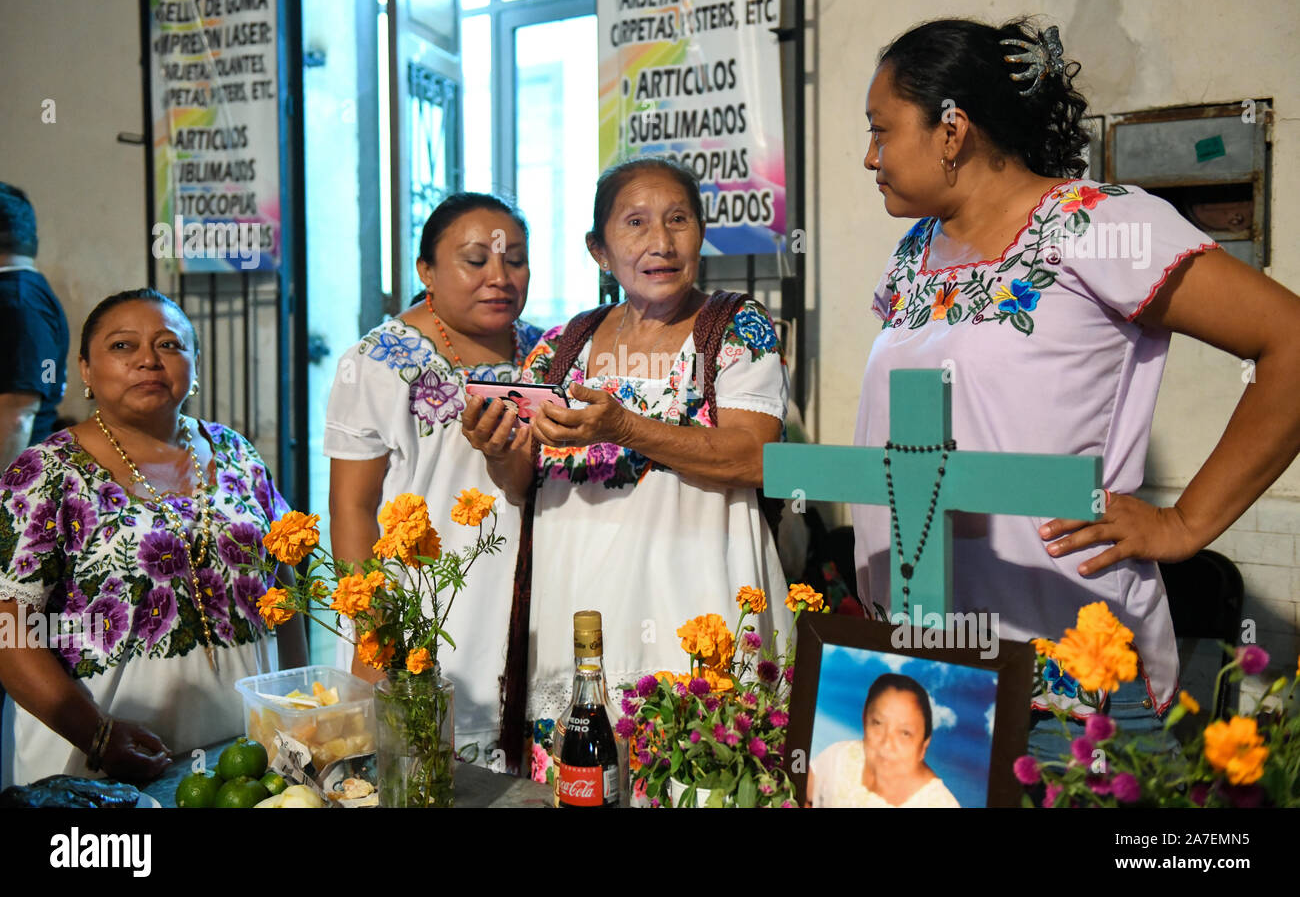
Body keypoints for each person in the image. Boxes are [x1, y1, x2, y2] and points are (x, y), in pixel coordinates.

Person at [852, 18, 1300, 758]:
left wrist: (1184, 523)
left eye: (882, 130)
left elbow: (1288, 340)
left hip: (1063, 683)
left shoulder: (1094, 224)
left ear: (952, 129)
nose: (870, 156)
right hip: (925, 668)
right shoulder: (914, 253)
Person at [461, 157, 794, 775]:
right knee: (584, 778)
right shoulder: (564, 345)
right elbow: (520, 483)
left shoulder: (733, 327)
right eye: (635, 223)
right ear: (599, 249)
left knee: (695, 769)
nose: (660, 243)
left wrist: (625, 427)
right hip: (577, 600)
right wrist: (498, 449)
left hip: (696, 595)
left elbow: (755, 457)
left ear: (700, 231)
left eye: (678, 220)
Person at [0, 289, 306, 787]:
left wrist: (296, 704)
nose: (148, 359)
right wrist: (97, 736)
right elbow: (8, 629)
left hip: (245, 751)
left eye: (169, 345)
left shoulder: (235, 453)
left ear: (194, 363)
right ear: (84, 369)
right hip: (93, 759)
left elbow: (284, 580)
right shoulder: (43, 472)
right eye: (123, 346)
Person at [324, 193, 542, 760]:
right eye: (475, 260)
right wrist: (372, 628)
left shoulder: (547, 353)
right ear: (427, 271)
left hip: (530, 597)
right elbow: (352, 507)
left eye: (514, 259)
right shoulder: (378, 361)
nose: (499, 277)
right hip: (427, 606)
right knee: (427, 766)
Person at [809, 673, 959, 807]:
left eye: (905, 733)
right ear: (865, 720)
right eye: (878, 723)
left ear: (923, 746)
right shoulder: (841, 758)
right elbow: (796, 794)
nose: (887, 745)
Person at [0, 183, 69, 470]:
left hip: (18, 479)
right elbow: (45, 373)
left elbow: (18, 415)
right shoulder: (27, 294)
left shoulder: (19, 301)